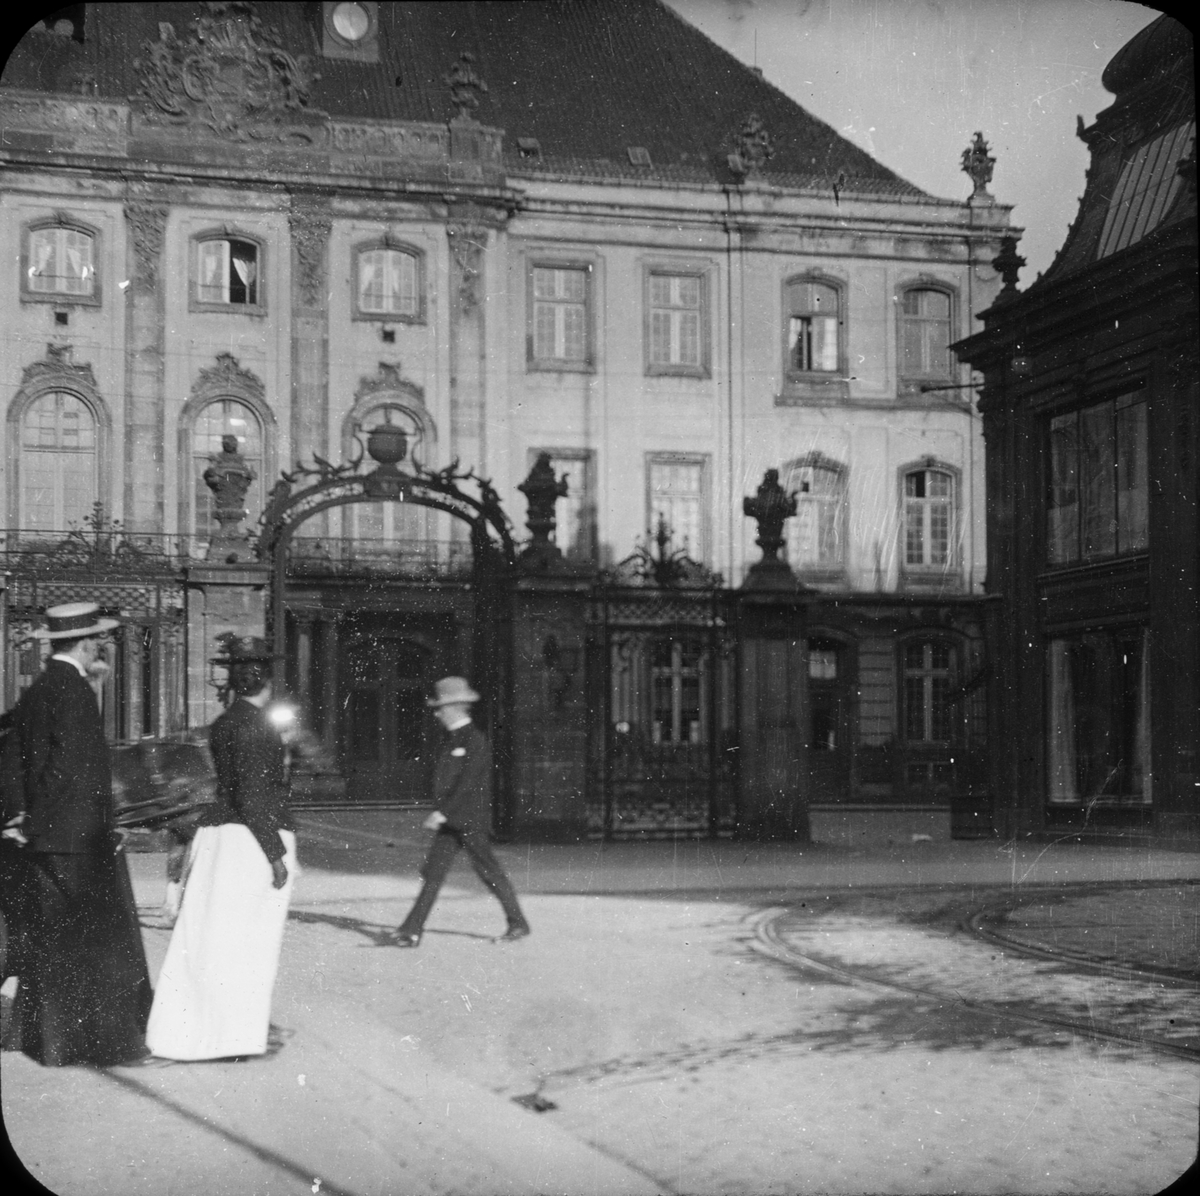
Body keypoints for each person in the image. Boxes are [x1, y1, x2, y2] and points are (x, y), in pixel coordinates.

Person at [2, 601, 152, 1067]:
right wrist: (39, 821)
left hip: (51, 838)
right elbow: (69, 769)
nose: (100, 648)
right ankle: (107, 1046)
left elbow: (16, 757)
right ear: (85, 644)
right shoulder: (76, 691)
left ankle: (51, 1045)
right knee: (99, 942)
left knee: (53, 940)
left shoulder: (39, 688)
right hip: (74, 839)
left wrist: (24, 817)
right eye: (97, 641)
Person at [146, 636, 297, 1061]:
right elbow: (252, 796)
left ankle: (198, 1033)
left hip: (224, 836)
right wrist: (275, 855)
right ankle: (227, 1038)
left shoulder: (227, 721)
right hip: (249, 840)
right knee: (247, 946)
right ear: (266, 679)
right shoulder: (256, 725)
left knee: (212, 941)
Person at [390, 676, 530, 948]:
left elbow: (467, 783)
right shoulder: (452, 739)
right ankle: (411, 929)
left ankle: (518, 923)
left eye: (440, 708)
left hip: (469, 820)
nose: (437, 714)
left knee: (489, 872)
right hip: (453, 821)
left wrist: (442, 812)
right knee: (434, 873)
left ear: (454, 708)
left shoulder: (475, 740)